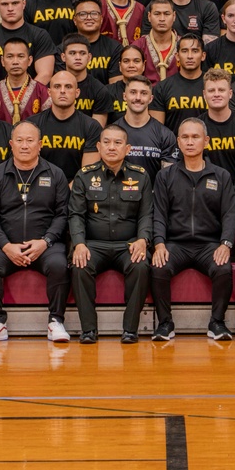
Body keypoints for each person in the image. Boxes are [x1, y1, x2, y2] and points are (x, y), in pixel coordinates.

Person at [0, 121, 72, 343]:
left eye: (30, 141)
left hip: (45, 244)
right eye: (19, 140)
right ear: (11, 144)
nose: (25, 145)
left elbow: (62, 215)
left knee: (59, 265)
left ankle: (56, 321)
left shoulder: (56, 174)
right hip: (7, 244)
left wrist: (45, 241)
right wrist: (5, 245)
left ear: (40, 144)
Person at [151, 118, 235, 341]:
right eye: (185, 137)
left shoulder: (221, 175)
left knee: (223, 269)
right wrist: (159, 244)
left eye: (195, 137)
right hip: (175, 244)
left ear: (206, 141)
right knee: (159, 267)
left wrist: (225, 244)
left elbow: (229, 214)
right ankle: (164, 324)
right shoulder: (165, 176)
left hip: (208, 244)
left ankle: (217, 323)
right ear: (178, 142)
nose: (190, 142)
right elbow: (158, 214)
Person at [69, 124, 152, 344]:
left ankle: (130, 330)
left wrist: (143, 240)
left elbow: (146, 215)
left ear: (127, 148)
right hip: (93, 245)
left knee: (141, 265)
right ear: (98, 146)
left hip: (128, 245)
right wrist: (79, 243)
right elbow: (76, 215)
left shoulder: (141, 176)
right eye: (106, 142)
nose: (111, 147)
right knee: (79, 264)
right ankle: (88, 330)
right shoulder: (84, 176)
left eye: (117, 143)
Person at [114, 76, 179, 183]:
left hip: (153, 198)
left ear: (151, 99)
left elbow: (169, 179)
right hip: (118, 198)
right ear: (124, 96)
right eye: (133, 92)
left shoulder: (165, 134)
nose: (138, 97)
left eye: (144, 93)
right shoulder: (113, 134)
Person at [200, 69, 235, 173]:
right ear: (204, 94)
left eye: (221, 90)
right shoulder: (197, 127)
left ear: (230, 93)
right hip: (204, 188)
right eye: (211, 90)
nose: (216, 94)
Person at [150, 34, 208, 134]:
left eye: (195, 51)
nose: (190, 56)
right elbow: (156, 132)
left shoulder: (213, 87)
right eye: (184, 51)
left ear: (203, 56)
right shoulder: (162, 88)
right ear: (177, 56)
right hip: (173, 148)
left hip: (208, 147)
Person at [0, 38, 51, 124]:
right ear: (2, 61)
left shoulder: (42, 92)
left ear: (29, 60)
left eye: (21, 56)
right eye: (10, 57)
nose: (15, 62)